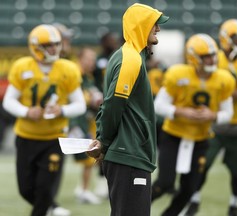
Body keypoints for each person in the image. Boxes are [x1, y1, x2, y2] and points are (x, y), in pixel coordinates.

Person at [86, 3, 169, 216]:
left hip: (128, 153)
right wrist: (103, 141)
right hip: (128, 153)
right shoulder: (130, 59)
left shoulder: (128, 55)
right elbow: (114, 104)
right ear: (140, 25)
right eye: (154, 24)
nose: (158, 29)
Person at [183, 19, 237, 216]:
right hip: (215, 125)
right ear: (225, 39)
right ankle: (194, 200)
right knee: (202, 165)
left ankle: (234, 204)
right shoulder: (214, 59)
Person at [2, 24, 86, 216]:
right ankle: (51, 208)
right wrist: (26, 112)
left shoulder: (68, 69)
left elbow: (79, 105)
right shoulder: (22, 66)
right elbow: (9, 101)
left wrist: (61, 110)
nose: (55, 49)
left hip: (54, 138)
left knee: (45, 188)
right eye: (49, 45)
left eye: (56, 44)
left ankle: (45, 209)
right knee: (26, 189)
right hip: (26, 136)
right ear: (36, 47)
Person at [151, 33, 236, 216]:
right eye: (206, 56)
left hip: (200, 139)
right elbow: (158, 105)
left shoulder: (224, 79)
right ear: (193, 57)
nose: (212, 59)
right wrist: (181, 111)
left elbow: (228, 114)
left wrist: (212, 115)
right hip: (173, 135)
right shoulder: (178, 73)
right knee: (165, 183)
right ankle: (133, 209)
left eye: (213, 55)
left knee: (189, 189)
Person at [70, 47, 103, 204]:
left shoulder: (88, 77)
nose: (92, 62)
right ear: (80, 58)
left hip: (85, 121)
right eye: (89, 58)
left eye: (93, 59)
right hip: (72, 121)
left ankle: (83, 188)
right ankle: (83, 190)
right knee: (89, 158)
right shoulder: (73, 73)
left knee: (93, 156)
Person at [92, 31, 121, 199]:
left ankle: (109, 182)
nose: (113, 42)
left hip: (114, 101)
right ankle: (101, 182)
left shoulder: (119, 57)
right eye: (110, 40)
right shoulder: (100, 59)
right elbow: (94, 79)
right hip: (101, 106)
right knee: (100, 143)